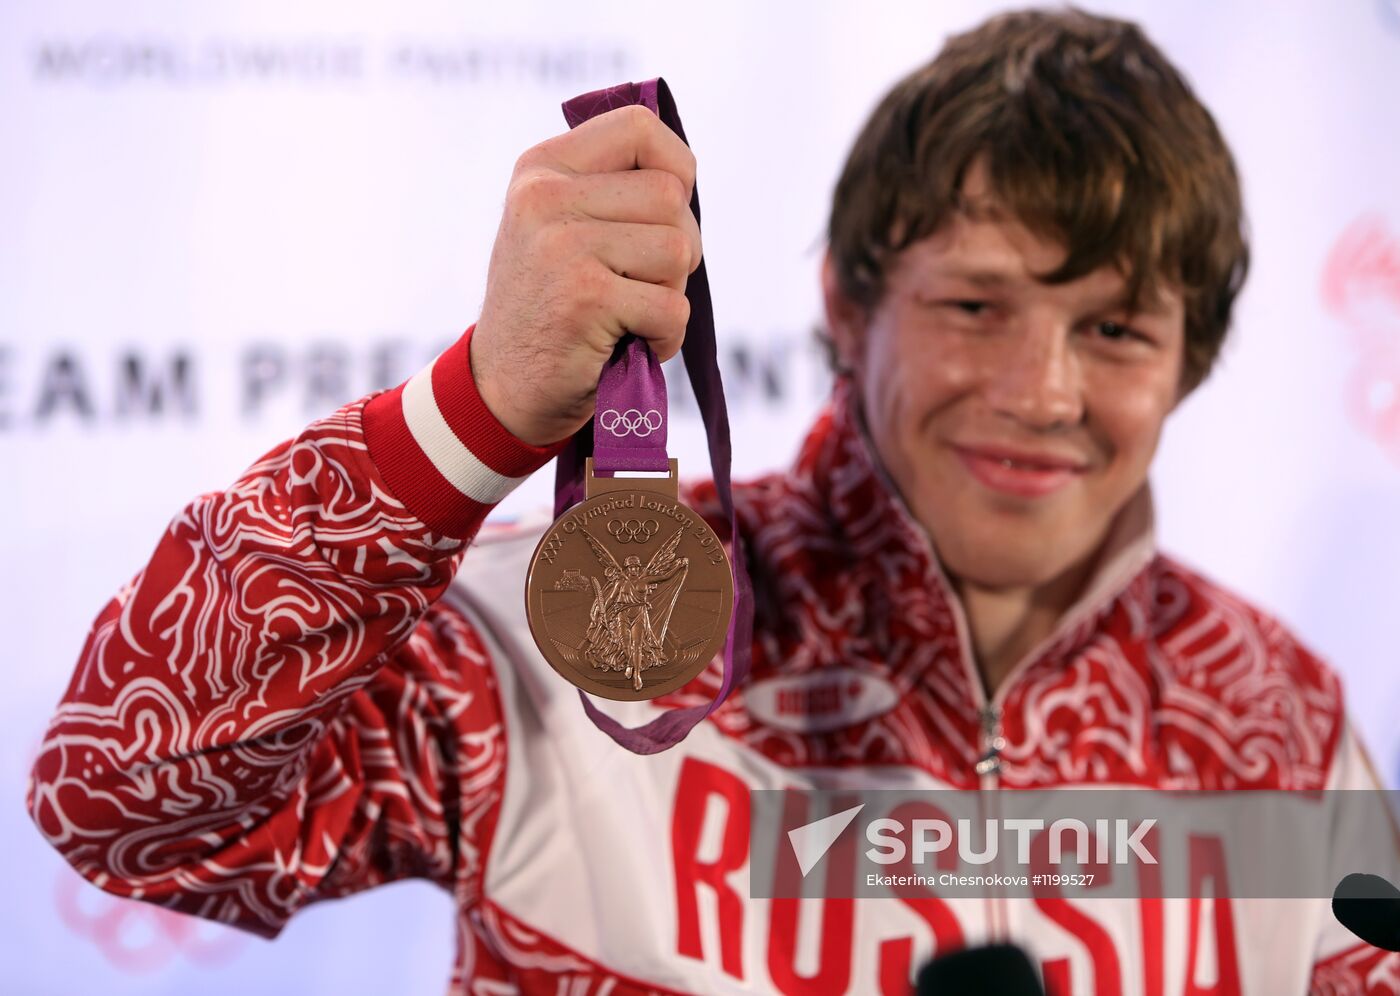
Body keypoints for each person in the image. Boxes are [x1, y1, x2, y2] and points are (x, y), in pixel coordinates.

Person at [24, 7, 1398, 994]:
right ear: (848, 306)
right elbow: (127, 799)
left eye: (1114, 332)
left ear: (1192, 363)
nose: (1043, 392)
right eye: (977, 305)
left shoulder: (1282, 724)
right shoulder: (562, 640)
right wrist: (477, 413)